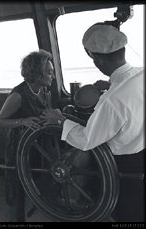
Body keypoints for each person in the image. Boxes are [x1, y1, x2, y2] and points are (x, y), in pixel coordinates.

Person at [42, 23, 145, 222]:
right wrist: (112, 84)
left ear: (97, 59)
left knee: (127, 211)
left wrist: (61, 120)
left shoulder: (112, 100)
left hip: (126, 165)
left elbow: (87, 139)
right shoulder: (140, 75)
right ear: (122, 50)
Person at [0, 49, 55, 221]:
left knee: (34, 179)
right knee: (19, 186)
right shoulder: (18, 95)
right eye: (49, 72)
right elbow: (0, 121)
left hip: (38, 145)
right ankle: (16, 218)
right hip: (19, 146)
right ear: (37, 74)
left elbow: (47, 112)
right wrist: (22, 121)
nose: (52, 75)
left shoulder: (46, 91)